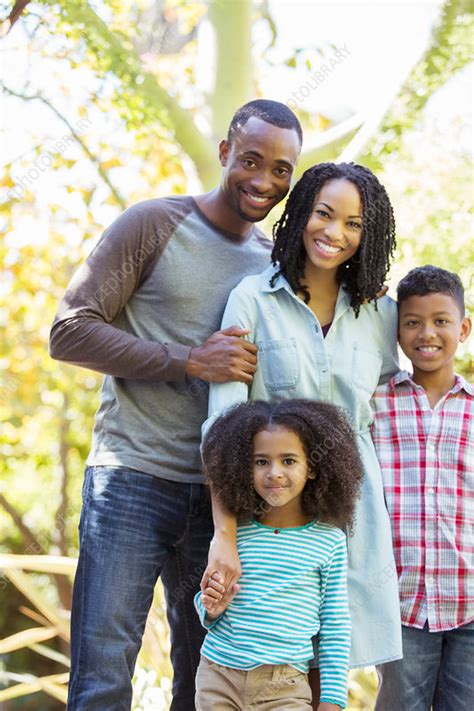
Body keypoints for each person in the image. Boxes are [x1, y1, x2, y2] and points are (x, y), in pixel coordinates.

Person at [48, 99, 302, 711]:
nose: (263, 181)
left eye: (281, 170)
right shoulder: (152, 224)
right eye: (250, 160)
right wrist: (189, 359)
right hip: (130, 479)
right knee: (104, 676)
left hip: (221, 504)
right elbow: (69, 331)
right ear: (223, 153)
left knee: (205, 681)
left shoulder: (273, 263)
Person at [201, 162, 404, 701]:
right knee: (270, 657)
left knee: (335, 659)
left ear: (370, 235)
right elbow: (221, 429)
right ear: (302, 213)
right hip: (269, 513)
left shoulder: (380, 314)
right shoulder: (252, 298)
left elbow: (397, 399)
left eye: (355, 224)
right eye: (324, 214)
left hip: (353, 513)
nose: (335, 234)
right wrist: (224, 536)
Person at [195, 399, 363, 711]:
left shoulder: (329, 542)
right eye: (261, 462)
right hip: (218, 675)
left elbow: (335, 625)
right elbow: (208, 605)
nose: (274, 473)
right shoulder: (235, 534)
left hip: (285, 686)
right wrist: (210, 607)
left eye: (288, 461)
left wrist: (332, 699)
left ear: (311, 468)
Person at [371, 265, 473, 711]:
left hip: (470, 603)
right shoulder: (375, 404)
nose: (426, 333)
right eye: (412, 322)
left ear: (464, 328)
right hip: (400, 606)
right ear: (396, 332)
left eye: (441, 321)